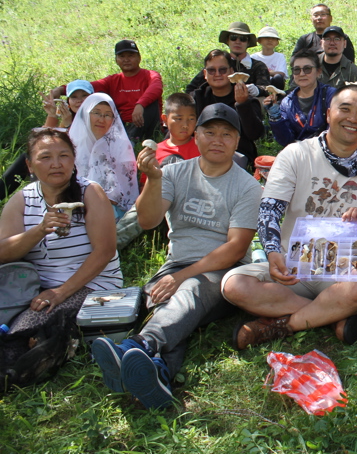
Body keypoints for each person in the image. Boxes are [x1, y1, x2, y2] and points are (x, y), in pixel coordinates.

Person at [90, 104, 261, 409]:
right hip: (175, 266)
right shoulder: (172, 172)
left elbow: (236, 249)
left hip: (224, 273)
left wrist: (180, 277)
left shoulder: (248, 186)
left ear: (237, 142)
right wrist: (153, 180)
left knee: (190, 291)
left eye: (226, 134)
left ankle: (141, 344)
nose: (218, 140)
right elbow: (146, 220)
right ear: (196, 136)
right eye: (210, 132)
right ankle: (160, 372)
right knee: (175, 310)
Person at [223, 85, 357, 349]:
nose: (353, 118)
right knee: (234, 285)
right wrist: (273, 251)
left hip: (344, 271)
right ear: (328, 113)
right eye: (345, 109)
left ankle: (284, 325)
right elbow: (269, 209)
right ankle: (332, 314)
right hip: (291, 267)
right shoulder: (296, 154)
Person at [0, 128, 122, 382]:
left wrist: (60, 292)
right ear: (29, 165)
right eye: (45, 157)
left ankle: (18, 367)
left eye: (64, 156)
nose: (56, 164)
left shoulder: (91, 193)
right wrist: (39, 230)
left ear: (73, 160)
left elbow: (105, 252)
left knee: (29, 327)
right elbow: (3, 253)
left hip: (90, 285)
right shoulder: (22, 199)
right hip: (34, 287)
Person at [2, 80, 95, 200]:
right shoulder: (67, 117)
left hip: (84, 163)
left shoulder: (97, 117)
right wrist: (52, 115)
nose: (79, 100)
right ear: (68, 102)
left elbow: (83, 144)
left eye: (84, 96)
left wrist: (67, 126)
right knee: (30, 157)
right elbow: (41, 142)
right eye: (74, 97)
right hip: (61, 159)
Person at [51, 40, 163, 141]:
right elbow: (87, 87)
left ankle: (135, 140)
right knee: (89, 100)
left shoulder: (150, 75)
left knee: (151, 103)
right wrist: (61, 89)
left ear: (139, 58)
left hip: (147, 124)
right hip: (120, 126)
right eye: (122, 56)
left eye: (131, 55)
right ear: (116, 60)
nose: (126, 60)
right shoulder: (113, 80)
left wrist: (140, 105)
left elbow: (156, 87)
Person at [189, 49, 265, 168]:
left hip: (236, 154)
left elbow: (255, 134)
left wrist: (242, 105)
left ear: (231, 71)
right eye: (211, 70)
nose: (217, 74)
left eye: (223, 70)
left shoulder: (246, 98)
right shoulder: (196, 98)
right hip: (202, 152)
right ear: (205, 74)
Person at [69, 94, 139, 219]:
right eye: (96, 113)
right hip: (76, 204)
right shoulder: (73, 144)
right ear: (86, 114)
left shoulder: (121, 145)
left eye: (107, 115)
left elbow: (127, 184)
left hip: (112, 207)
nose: (101, 119)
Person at [265, 51, 336, 147]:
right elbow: (286, 140)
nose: (302, 74)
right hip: (299, 154)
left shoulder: (331, 96)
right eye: (297, 70)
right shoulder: (287, 102)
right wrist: (275, 118)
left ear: (318, 72)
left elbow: (337, 132)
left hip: (329, 151)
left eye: (307, 69)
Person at [185, 23, 270, 97]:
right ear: (227, 41)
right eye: (233, 38)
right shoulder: (218, 64)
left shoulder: (258, 66)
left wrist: (256, 90)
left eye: (243, 39)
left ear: (248, 43)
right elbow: (191, 89)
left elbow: (266, 89)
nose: (238, 42)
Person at [291, 4, 357, 71]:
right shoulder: (305, 39)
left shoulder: (342, 38)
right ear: (311, 19)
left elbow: (350, 62)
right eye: (316, 15)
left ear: (331, 18)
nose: (319, 18)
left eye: (323, 14)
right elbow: (294, 61)